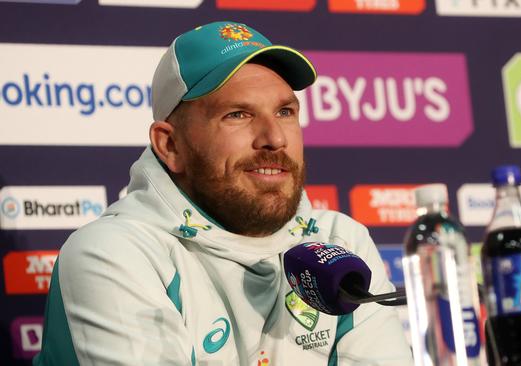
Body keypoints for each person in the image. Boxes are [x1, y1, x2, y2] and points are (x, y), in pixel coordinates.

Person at [34, 21, 412, 365]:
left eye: (285, 112)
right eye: (238, 115)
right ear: (170, 146)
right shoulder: (114, 253)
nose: (274, 138)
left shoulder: (339, 242)